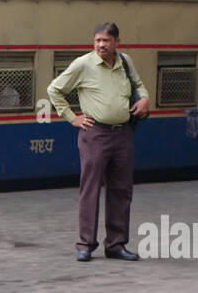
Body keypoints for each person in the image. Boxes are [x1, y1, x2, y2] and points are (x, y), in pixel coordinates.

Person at [47, 22, 150, 262]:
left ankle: (116, 244)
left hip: (123, 134)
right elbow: (54, 89)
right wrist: (72, 117)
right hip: (95, 135)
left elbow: (138, 84)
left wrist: (144, 98)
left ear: (116, 42)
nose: (101, 45)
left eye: (106, 40)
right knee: (90, 189)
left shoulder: (125, 61)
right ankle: (85, 245)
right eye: (97, 40)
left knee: (122, 190)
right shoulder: (83, 64)